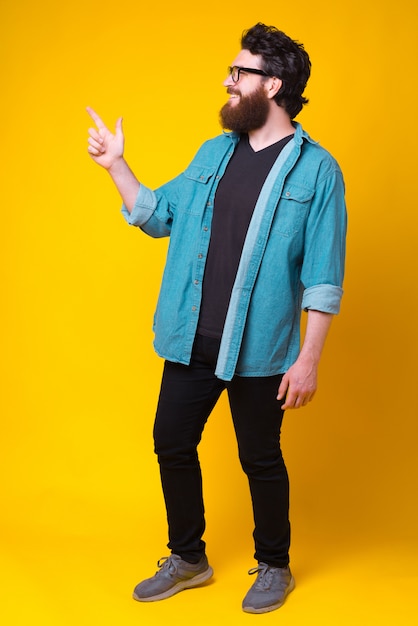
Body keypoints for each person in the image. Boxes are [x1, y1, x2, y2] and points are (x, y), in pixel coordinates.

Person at [87, 23, 347, 614]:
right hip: (191, 338)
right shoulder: (214, 152)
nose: (228, 82)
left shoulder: (317, 171)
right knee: (170, 442)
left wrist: (308, 361)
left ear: (272, 84)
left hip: (261, 349)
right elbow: (157, 215)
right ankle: (189, 557)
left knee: (259, 457)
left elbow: (324, 279)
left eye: (239, 73)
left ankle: (274, 565)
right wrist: (115, 167)